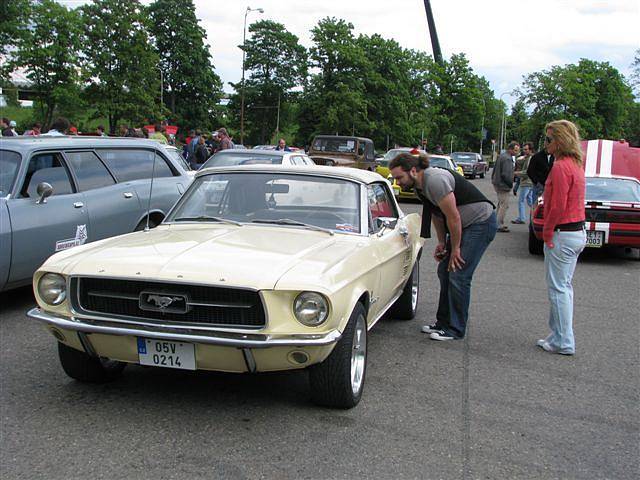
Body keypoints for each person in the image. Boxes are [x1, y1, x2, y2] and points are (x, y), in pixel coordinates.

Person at [389, 152, 497, 341]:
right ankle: (442, 323)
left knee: (458, 274)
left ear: (413, 171)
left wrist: (455, 249)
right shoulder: (419, 187)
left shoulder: (435, 181)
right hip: (465, 225)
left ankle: (455, 329)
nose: (398, 183)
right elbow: (437, 215)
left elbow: (453, 216)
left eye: (399, 177)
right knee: (444, 271)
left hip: (480, 223)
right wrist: (442, 243)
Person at [536, 120, 586, 356]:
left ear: (560, 141)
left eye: (548, 139)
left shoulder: (560, 167)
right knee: (563, 287)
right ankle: (558, 335)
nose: (546, 144)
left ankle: (563, 340)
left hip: (563, 233)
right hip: (574, 232)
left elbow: (557, 205)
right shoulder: (575, 164)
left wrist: (547, 231)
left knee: (558, 289)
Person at [491, 141, 519, 232]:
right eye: (515, 150)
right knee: (504, 205)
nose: (517, 152)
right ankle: (499, 225)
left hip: (497, 183)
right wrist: (510, 184)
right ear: (510, 149)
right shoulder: (507, 159)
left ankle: (495, 223)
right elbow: (506, 174)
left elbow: (495, 169)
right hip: (503, 185)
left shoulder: (502, 156)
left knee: (500, 204)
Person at [511, 142, 535, 224]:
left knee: (521, 200)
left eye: (526, 149)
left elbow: (526, 172)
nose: (524, 151)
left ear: (530, 150)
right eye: (523, 149)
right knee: (530, 200)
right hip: (529, 182)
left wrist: (516, 173)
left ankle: (522, 218)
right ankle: (536, 214)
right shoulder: (527, 158)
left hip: (526, 183)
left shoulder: (530, 159)